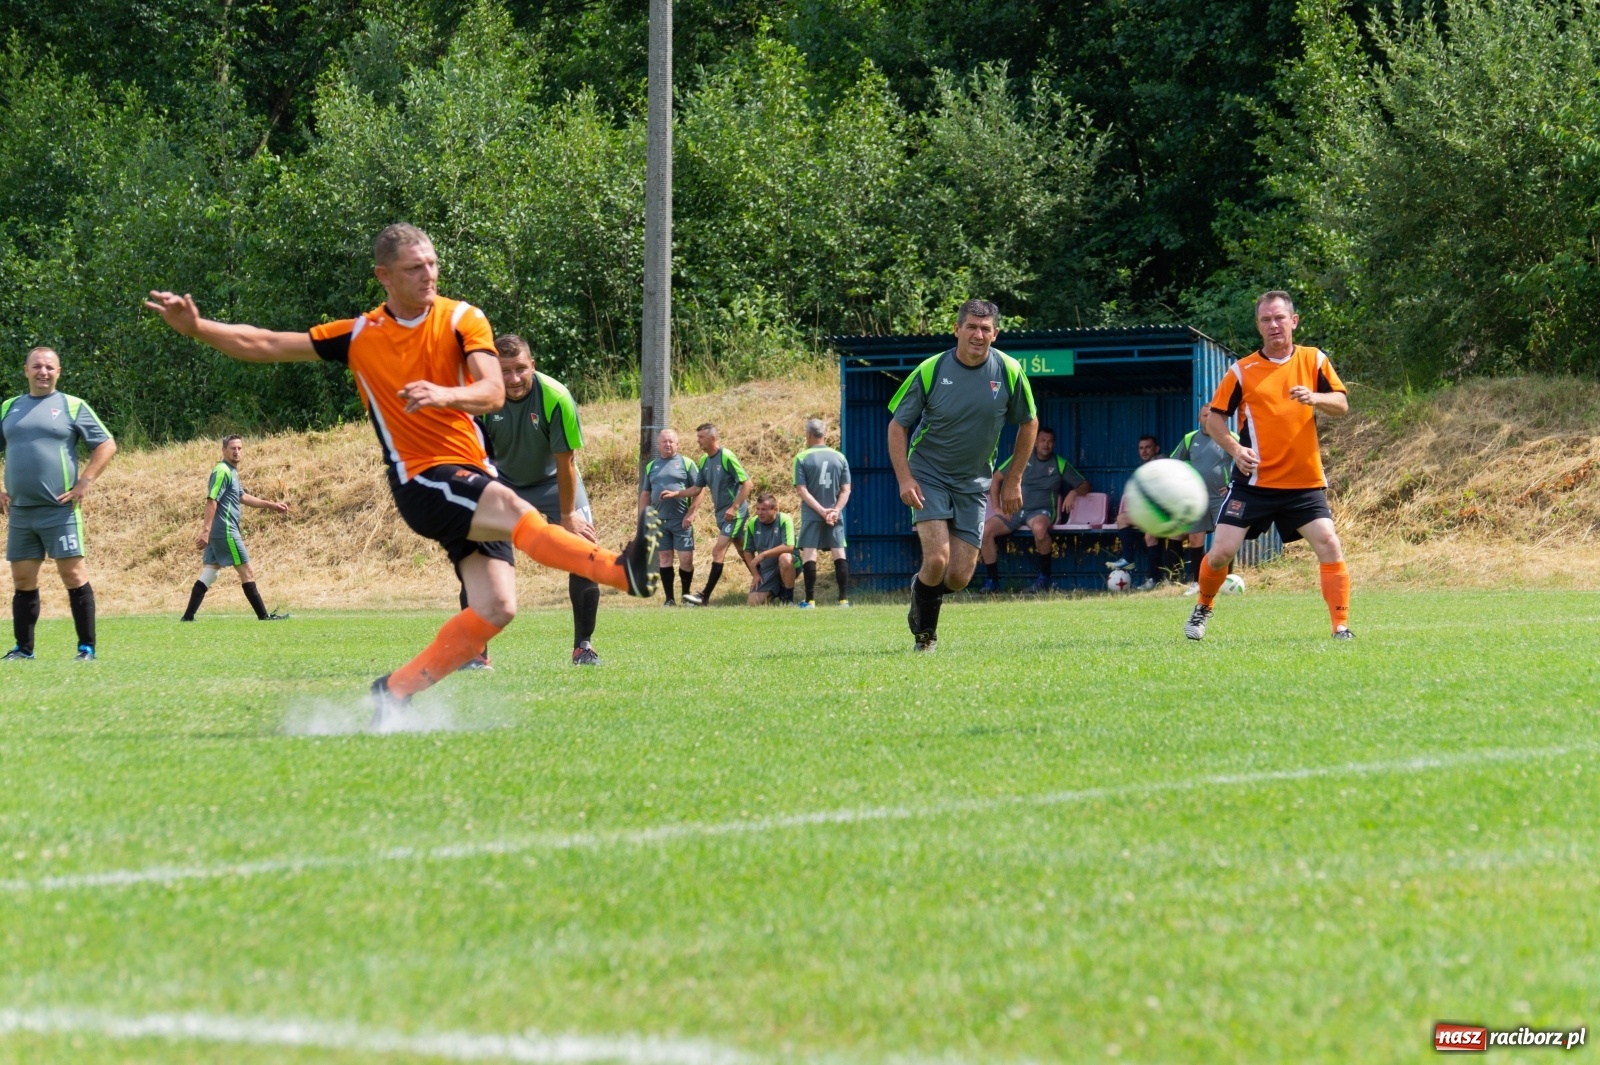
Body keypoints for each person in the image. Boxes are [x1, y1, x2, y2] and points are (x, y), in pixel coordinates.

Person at [146, 222, 660, 720]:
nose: (429, 274)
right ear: (384, 276)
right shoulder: (360, 335)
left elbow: (492, 391)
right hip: (423, 481)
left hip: (473, 477)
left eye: (433, 263)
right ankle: (623, 571)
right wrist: (198, 328)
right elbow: (266, 344)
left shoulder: (463, 319)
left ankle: (393, 691)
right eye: (415, 267)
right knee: (513, 510)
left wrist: (446, 394)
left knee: (497, 608)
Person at [1185, 290, 1352, 641]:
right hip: (1254, 483)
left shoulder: (1314, 359)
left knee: (1330, 545)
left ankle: (1341, 627)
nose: (1273, 325)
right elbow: (1215, 419)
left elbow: (1341, 403)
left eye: (1279, 318)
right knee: (1220, 554)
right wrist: (1234, 448)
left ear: (1293, 321)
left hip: (1303, 484)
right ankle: (1203, 607)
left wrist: (1316, 397)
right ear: (1259, 327)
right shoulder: (1241, 371)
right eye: (1266, 320)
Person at [888, 298, 1038, 651]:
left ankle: (920, 591)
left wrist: (1014, 479)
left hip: (974, 482)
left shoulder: (1010, 371)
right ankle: (925, 638)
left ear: (995, 334)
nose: (977, 334)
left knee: (957, 577)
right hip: (929, 473)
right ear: (956, 329)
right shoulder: (931, 370)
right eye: (971, 326)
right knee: (937, 559)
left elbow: (1029, 424)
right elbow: (897, 426)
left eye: (985, 329)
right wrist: (905, 479)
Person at [469, 334, 603, 666]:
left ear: (533, 365)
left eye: (520, 369)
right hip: (502, 482)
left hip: (552, 482)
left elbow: (565, 462)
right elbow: (474, 457)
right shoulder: (480, 399)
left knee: (584, 553)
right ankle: (475, 653)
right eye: (504, 371)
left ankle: (583, 647)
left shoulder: (556, 397)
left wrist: (568, 514)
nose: (513, 379)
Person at [1, 346, 117, 661]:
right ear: (25, 370)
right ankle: (24, 650)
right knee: (23, 579)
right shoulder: (9, 407)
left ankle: (86, 649)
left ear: (59, 372)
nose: (43, 372)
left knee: (74, 575)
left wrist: (85, 482)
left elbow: (106, 444)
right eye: (37, 366)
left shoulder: (72, 405)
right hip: (21, 513)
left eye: (50, 367)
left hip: (60, 511)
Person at [180, 435, 292, 622]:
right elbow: (211, 500)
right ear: (224, 450)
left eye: (239, 448)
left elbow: (242, 496)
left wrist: (271, 505)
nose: (236, 451)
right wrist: (205, 531)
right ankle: (264, 617)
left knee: (209, 573)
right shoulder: (222, 470)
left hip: (219, 532)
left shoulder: (231, 471)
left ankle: (188, 617)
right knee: (247, 571)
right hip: (225, 531)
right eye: (233, 448)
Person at [977, 426, 1088, 593]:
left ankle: (1044, 578)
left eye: (1050, 441)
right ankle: (992, 582)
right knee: (985, 531)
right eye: (1042, 440)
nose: (1046, 444)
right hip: (1014, 511)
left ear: (1054, 444)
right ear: (1035, 442)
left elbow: (1085, 485)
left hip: (1040, 511)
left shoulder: (1059, 463)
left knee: (1040, 530)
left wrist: (1074, 492)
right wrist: (997, 508)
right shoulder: (1021, 458)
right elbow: (995, 479)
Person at [682, 423, 750, 606]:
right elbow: (697, 488)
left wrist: (734, 508)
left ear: (712, 438)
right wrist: (675, 494)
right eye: (698, 438)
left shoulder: (726, 456)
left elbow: (747, 484)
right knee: (744, 551)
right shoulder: (704, 461)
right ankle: (765, 584)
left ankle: (704, 597)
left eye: (701, 438)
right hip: (722, 515)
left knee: (717, 551)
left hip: (735, 513)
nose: (698, 441)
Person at [1170, 407, 1236, 590]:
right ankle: (1198, 582)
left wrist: (1233, 486)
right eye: (1205, 415)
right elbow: (1173, 463)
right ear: (1199, 418)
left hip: (1220, 497)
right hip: (1196, 498)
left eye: (1212, 415)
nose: (1208, 419)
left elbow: (1246, 462)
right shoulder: (1190, 438)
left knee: (1224, 541)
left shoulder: (1229, 437)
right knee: (1195, 539)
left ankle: (1226, 581)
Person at [791, 417, 852, 608]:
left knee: (810, 553)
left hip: (812, 513)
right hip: (835, 513)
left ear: (808, 435)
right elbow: (846, 489)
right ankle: (843, 600)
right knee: (839, 552)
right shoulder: (840, 457)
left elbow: (802, 490)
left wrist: (820, 511)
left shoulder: (801, 458)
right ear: (824, 434)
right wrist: (835, 510)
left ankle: (810, 600)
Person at [637, 429, 701, 606]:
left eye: (671, 441)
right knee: (664, 558)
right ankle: (669, 599)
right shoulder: (652, 466)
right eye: (664, 442)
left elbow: (699, 490)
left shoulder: (686, 463)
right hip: (659, 521)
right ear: (658, 445)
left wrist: (692, 513)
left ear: (678, 444)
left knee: (686, 560)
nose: (668, 444)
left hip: (681, 520)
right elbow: (645, 494)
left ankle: (686, 596)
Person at [1111, 434, 1173, 589]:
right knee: (1122, 518)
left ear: (1156, 449)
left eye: (1148, 447)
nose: (1144, 451)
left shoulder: (1161, 461)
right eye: (1141, 448)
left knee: (1150, 535)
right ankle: (1128, 559)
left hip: (1167, 514)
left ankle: (1154, 579)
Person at [739, 493, 797, 605]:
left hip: (789, 563)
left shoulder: (784, 520)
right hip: (767, 568)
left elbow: (789, 547)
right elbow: (747, 551)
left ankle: (788, 599)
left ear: (775, 510)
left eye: (764, 509)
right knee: (752, 603)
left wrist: (763, 554)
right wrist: (755, 574)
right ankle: (775, 591)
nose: (760, 513)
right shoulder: (753, 523)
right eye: (758, 509)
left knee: (785, 557)